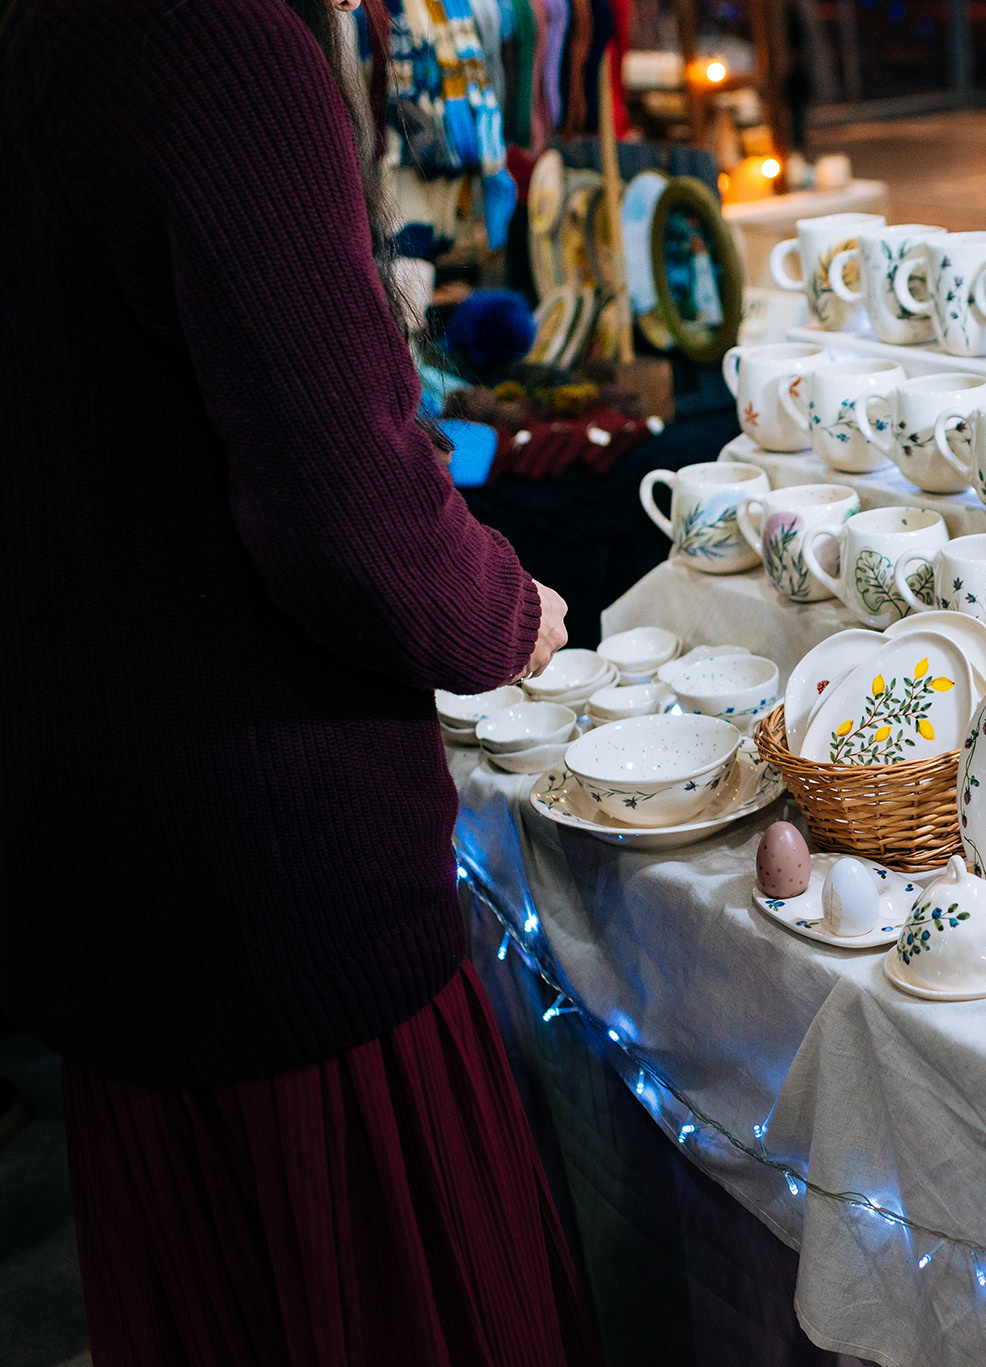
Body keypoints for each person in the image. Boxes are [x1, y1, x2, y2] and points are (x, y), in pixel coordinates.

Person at [0, 0, 600, 1362]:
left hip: (113, 850)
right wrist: (508, 615)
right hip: (272, 876)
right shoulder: (207, 42)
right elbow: (350, 512)